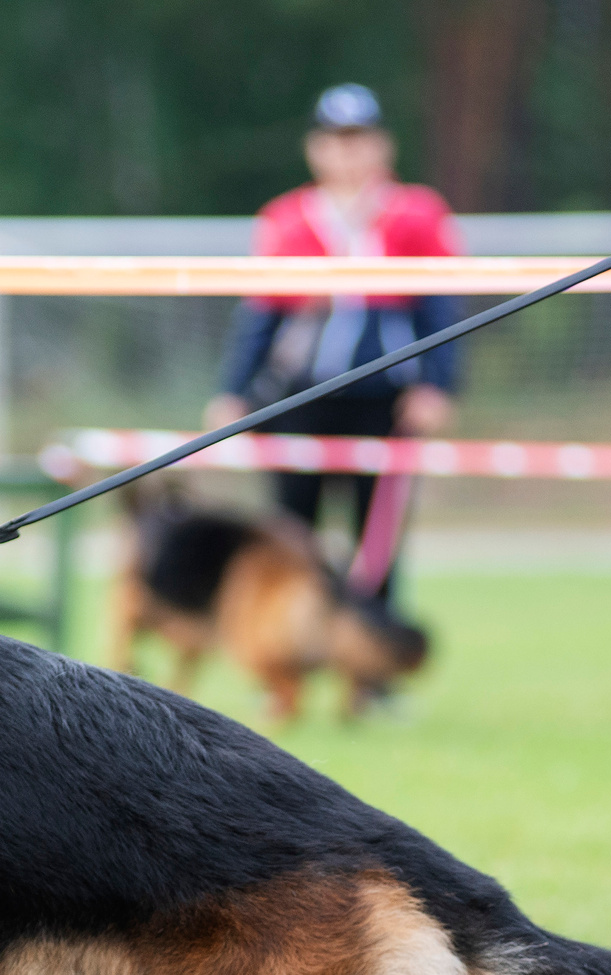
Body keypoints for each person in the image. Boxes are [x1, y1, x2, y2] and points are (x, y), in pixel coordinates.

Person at [206, 84, 462, 610]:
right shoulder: (286, 218)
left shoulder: (417, 213)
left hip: (385, 399)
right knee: (290, 536)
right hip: (299, 397)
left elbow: (440, 309)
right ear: (315, 148)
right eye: (336, 140)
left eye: (359, 139)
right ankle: (292, 663)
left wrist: (438, 385)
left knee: (378, 540)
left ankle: (370, 669)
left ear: (382, 146)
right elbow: (260, 315)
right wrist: (233, 390)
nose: (347, 152)